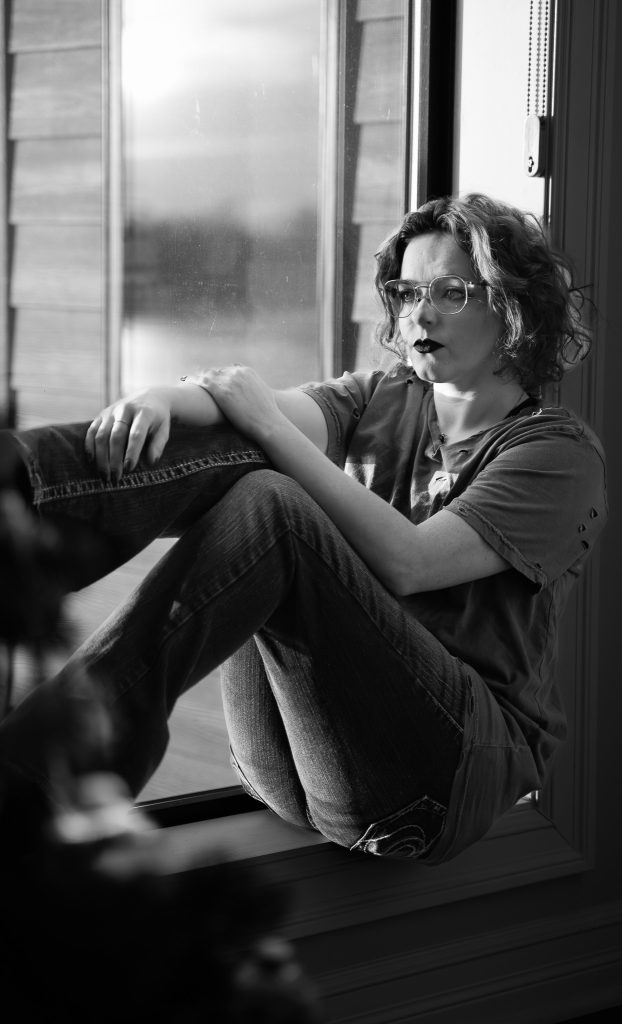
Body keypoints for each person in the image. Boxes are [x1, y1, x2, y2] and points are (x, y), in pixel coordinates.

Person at [0, 192, 608, 866]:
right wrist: (158, 399)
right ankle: (17, 503)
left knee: (273, 498)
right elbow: (241, 414)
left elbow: (409, 563)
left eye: (451, 293)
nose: (418, 315)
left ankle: (49, 759)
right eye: (406, 294)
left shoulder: (556, 455)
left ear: (512, 306)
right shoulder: (383, 396)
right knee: (247, 458)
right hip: (293, 761)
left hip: (438, 779)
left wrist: (264, 424)